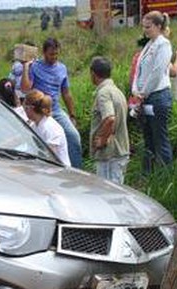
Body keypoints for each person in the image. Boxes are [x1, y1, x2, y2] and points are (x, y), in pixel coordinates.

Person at [21, 38, 82, 168]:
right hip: (39, 110)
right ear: (44, 53)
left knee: (73, 136)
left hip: (56, 110)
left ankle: (76, 170)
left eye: (56, 54)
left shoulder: (62, 68)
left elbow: (66, 93)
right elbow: (25, 89)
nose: (54, 57)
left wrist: (72, 115)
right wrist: (26, 67)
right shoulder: (35, 67)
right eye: (51, 54)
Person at [132, 11, 173, 173]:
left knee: (159, 138)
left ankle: (164, 177)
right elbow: (138, 70)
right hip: (145, 97)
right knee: (148, 138)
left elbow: (157, 72)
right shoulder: (149, 44)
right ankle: (148, 175)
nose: (145, 30)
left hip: (157, 97)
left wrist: (143, 92)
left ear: (158, 26)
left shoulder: (163, 44)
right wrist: (136, 89)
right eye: (143, 27)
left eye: (148, 27)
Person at [89, 57, 130, 184]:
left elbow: (109, 118)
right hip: (119, 152)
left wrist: (102, 139)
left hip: (109, 155)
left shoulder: (104, 93)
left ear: (93, 74)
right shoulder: (117, 91)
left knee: (106, 196)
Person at [23, 90, 71, 166]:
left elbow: (48, 155)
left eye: (25, 108)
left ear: (31, 108)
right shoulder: (34, 125)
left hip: (57, 171)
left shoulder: (50, 128)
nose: (24, 111)